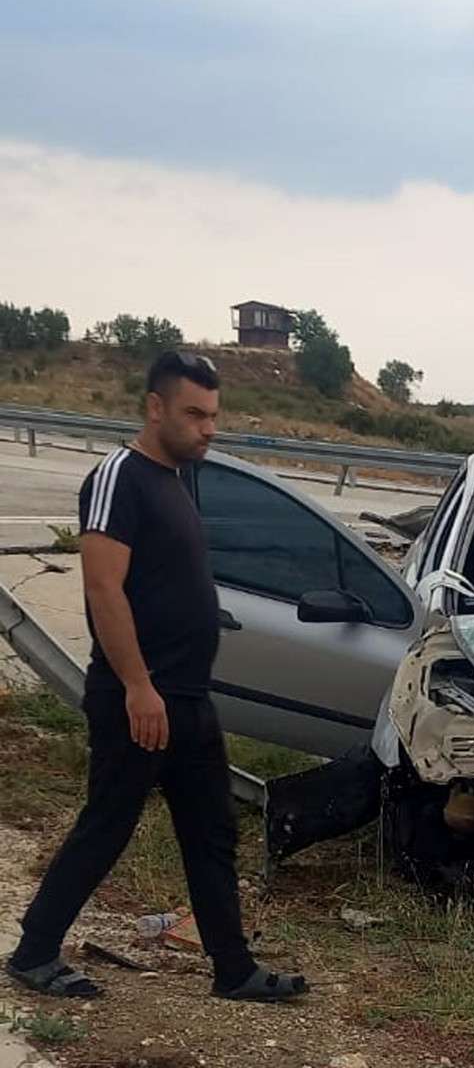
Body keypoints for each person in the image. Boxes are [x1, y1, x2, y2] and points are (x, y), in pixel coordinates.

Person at [5, 353, 307, 1002]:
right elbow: (102, 589)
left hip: (188, 700)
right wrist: (139, 685)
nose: (208, 429)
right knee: (108, 824)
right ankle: (33, 953)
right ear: (154, 408)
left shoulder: (178, 480)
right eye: (194, 414)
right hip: (137, 696)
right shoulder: (120, 477)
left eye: (213, 416)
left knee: (211, 830)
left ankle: (233, 969)